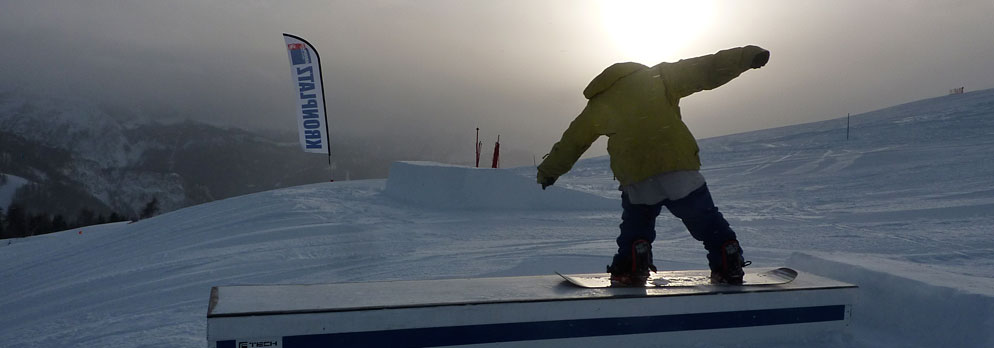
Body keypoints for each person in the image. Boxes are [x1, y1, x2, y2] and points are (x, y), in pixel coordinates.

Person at [537, 45, 770, 285]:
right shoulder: (659, 77)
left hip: (637, 173)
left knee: (637, 224)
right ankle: (727, 257)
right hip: (676, 165)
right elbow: (705, 68)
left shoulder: (598, 105)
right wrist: (747, 56)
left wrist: (548, 172)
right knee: (705, 219)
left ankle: (632, 264)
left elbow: (572, 142)